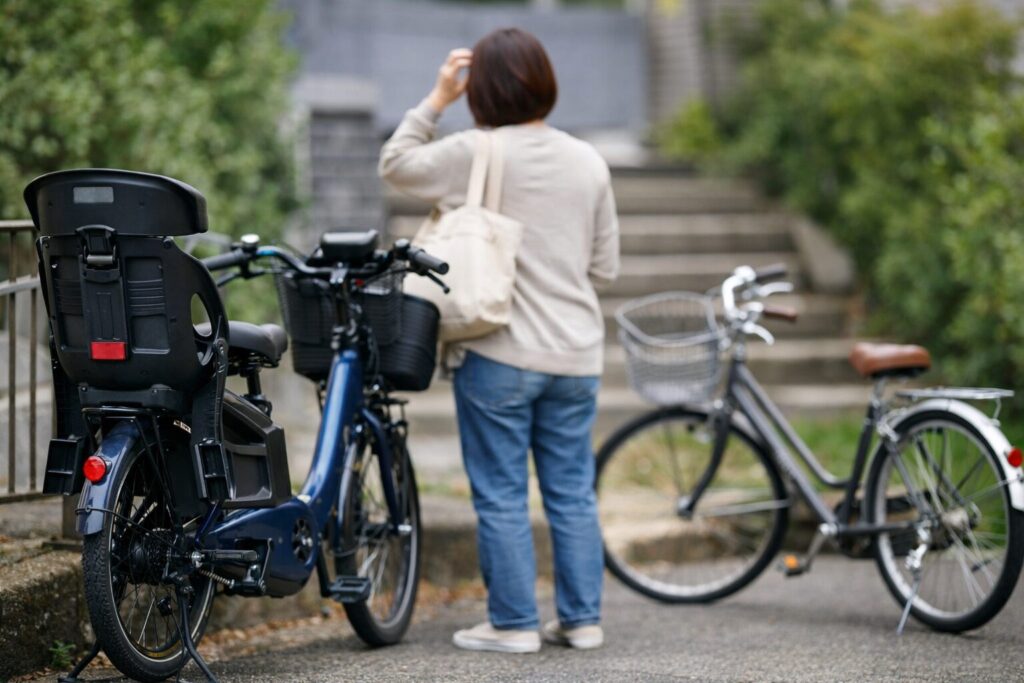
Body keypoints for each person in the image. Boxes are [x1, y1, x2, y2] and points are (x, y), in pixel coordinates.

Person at [378, 27, 620, 654]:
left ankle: (512, 624)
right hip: (575, 354)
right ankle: (582, 620)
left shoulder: (474, 151)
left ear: (480, 89)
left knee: (503, 492)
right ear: (545, 82)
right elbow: (604, 268)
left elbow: (396, 165)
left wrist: (435, 98)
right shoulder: (589, 160)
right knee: (572, 490)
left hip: (500, 351)